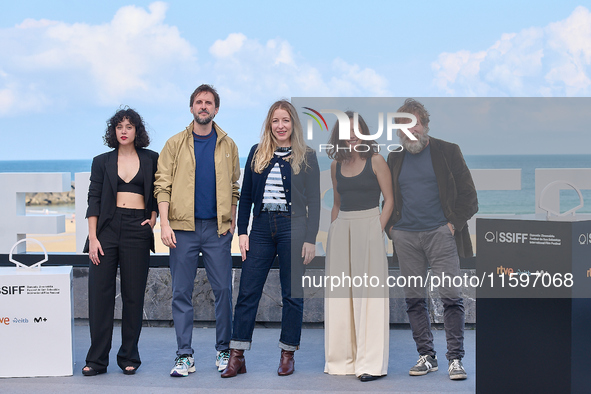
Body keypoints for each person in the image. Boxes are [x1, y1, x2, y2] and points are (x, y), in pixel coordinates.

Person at [221, 100, 320, 378]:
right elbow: (247, 197)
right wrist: (243, 232)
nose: (280, 126)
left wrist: (310, 239)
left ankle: (288, 354)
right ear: (269, 124)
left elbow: (313, 201)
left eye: (285, 120)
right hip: (262, 227)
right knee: (248, 291)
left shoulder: (307, 156)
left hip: (295, 227)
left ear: (293, 124)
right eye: (275, 121)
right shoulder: (257, 153)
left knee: (292, 294)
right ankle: (237, 355)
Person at [386, 98, 478, 380]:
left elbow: (469, 198)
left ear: (424, 124)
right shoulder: (395, 157)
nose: (408, 130)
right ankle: (427, 356)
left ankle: (455, 359)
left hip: (441, 234)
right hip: (406, 237)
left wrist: (452, 225)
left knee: (451, 298)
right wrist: (393, 229)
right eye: (402, 126)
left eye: (414, 123)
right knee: (415, 300)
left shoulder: (448, 151)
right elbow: (388, 199)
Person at [154, 84, 240, 377]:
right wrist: (164, 224)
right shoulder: (174, 144)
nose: (204, 106)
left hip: (217, 230)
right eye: (199, 102)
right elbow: (162, 185)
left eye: (209, 102)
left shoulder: (228, 145)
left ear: (216, 109)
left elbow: (234, 187)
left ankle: (223, 351)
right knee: (181, 292)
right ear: (191, 107)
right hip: (181, 229)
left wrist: (232, 219)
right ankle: (184, 356)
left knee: (224, 291)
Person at [83, 107, 159, 376]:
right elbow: (93, 199)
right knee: (100, 296)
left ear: (137, 130)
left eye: (129, 126)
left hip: (137, 229)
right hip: (106, 229)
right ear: (113, 131)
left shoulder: (152, 158)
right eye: (119, 126)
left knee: (133, 296)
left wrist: (152, 218)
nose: (124, 131)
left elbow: (159, 191)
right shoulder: (101, 161)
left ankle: (129, 356)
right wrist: (93, 238)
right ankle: (96, 360)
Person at [324, 111, 393, 382]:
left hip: (369, 227)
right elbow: (337, 205)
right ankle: (343, 361)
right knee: (341, 298)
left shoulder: (376, 161)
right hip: (342, 229)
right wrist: (332, 234)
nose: (351, 135)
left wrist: (377, 228)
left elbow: (389, 200)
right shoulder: (335, 166)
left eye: (356, 130)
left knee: (370, 298)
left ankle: (370, 364)